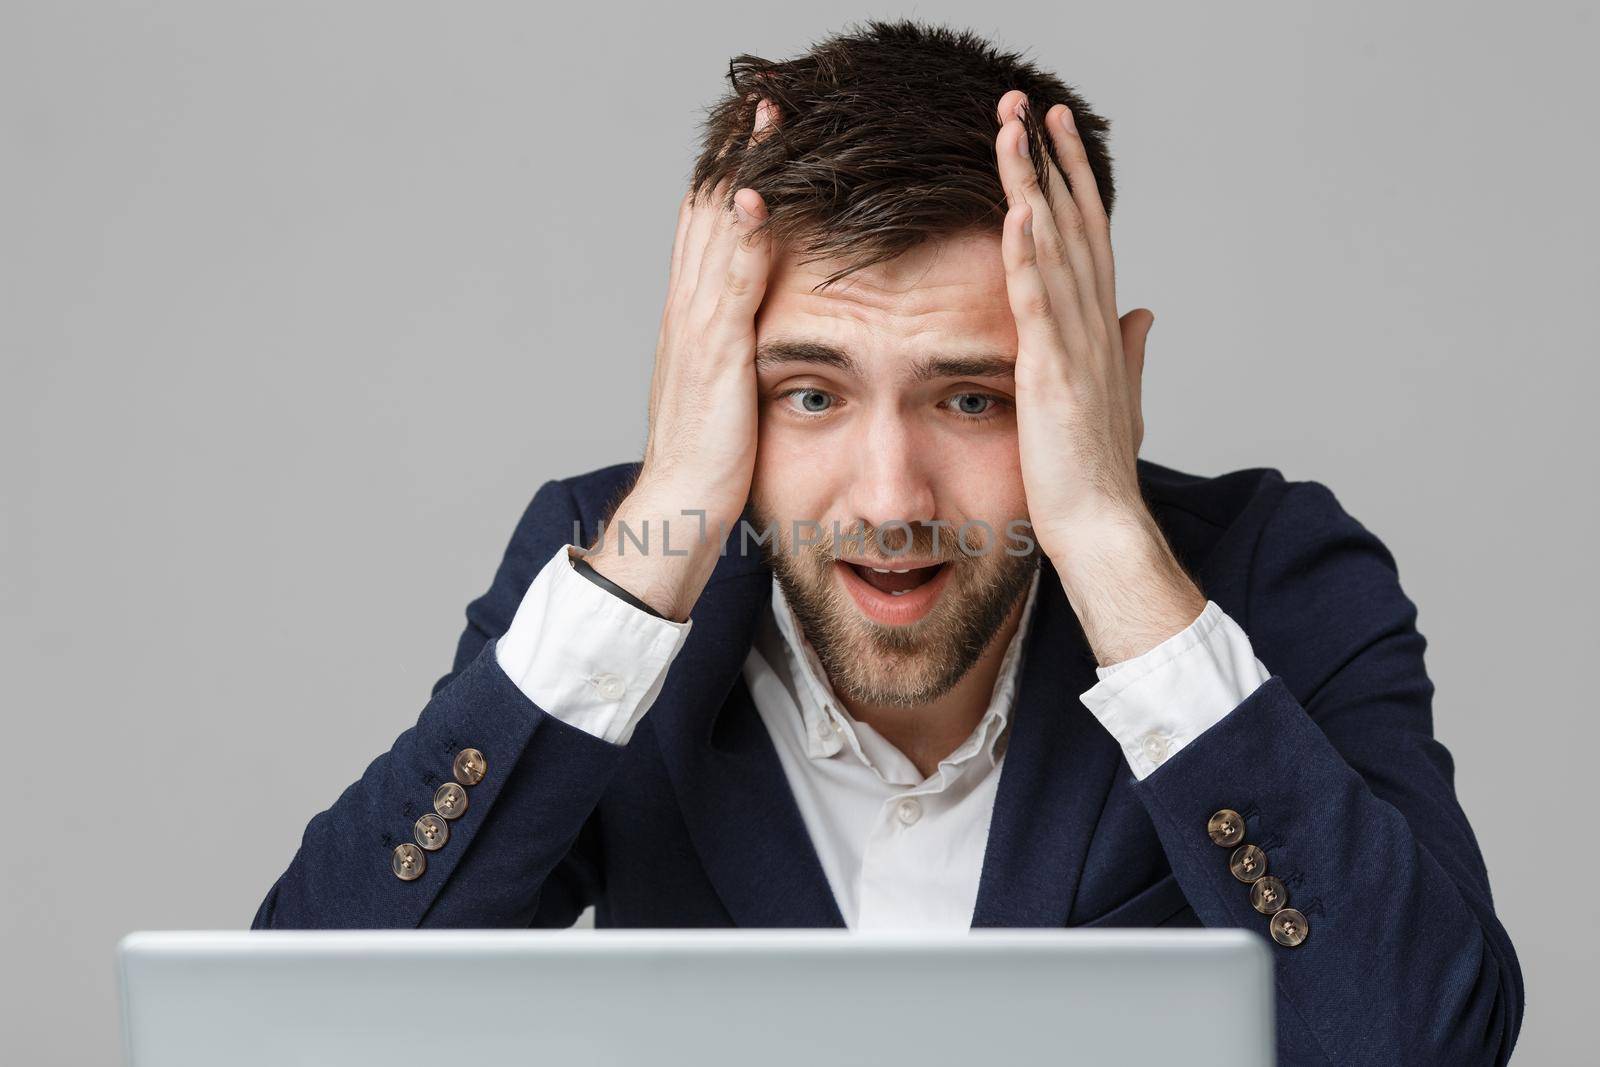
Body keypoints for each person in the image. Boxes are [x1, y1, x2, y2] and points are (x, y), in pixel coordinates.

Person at [252, 19, 1522, 1065]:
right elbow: (293, 1027)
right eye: (808, 391)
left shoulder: (1265, 574)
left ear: (1105, 384)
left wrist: (1106, 538)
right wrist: (669, 510)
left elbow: (1428, 1040)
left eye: (976, 396)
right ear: (713, 385)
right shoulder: (617, 567)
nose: (889, 493)